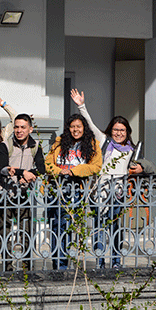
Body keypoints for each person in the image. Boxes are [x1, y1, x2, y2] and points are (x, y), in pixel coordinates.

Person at [70, 89, 156, 269]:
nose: (118, 133)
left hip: (118, 193)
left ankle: (116, 262)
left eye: (122, 130)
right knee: (99, 229)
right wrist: (81, 106)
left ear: (127, 132)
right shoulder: (104, 141)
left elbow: (134, 168)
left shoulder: (132, 149)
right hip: (99, 193)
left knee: (116, 229)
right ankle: (100, 261)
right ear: (111, 130)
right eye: (116, 130)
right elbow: (90, 124)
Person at [44, 113, 102, 270]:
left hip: (79, 190)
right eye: (72, 127)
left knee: (72, 227)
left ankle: (72, 263)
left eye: (79, 126)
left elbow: (96, 166)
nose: (75, 130)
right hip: (58, 188)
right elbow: (48, 162)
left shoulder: (93, 144)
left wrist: (75, 171)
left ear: (84, 128)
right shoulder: (59, 143)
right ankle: (59, 265)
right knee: (58, 227)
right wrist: (58, 171)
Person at [0, 114, 46, 271]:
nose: (19, 130)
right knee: (5, 231)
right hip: (6, 193)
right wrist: (23, 173)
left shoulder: (35, 146)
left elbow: (42, 167)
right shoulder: (6, 145)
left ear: (30, 129)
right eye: (16, 127)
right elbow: (3, 167)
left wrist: (30, 176)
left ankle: (27, 265)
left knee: (27, 229)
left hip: (24, 194)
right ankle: (7, 265)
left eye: (23, 127)